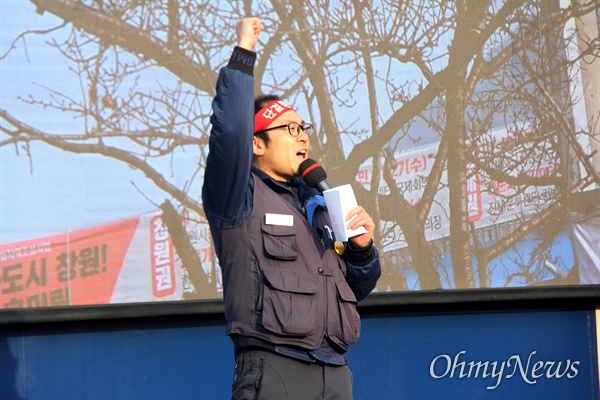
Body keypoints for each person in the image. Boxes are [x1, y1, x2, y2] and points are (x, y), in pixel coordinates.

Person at [202, 17, 381, 400]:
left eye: (304, 128)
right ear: (257, 145)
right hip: (275, 364)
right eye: (289, 129)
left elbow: (353, 287)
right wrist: (244, 53)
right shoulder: (238, 197)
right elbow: (230, 134)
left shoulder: (317, 203)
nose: (302, 136)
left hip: (335, 369)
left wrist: (362, 251)